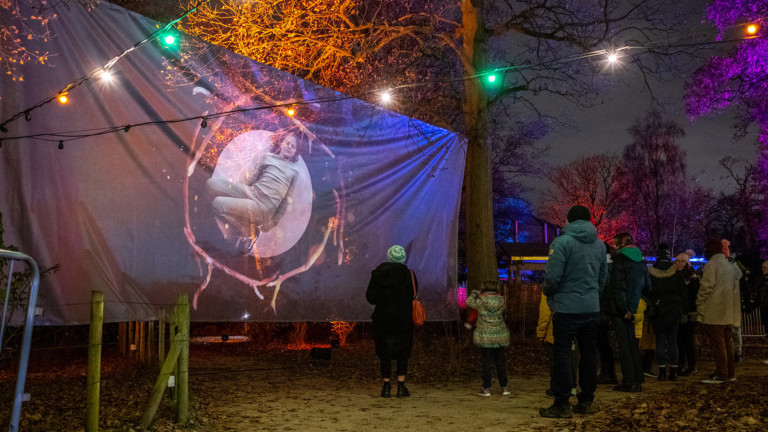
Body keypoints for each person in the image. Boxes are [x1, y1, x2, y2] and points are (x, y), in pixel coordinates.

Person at [539, 205, 607, 418]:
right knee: (588, 354)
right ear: (588, 221)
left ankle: (562, 403)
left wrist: (549, 294)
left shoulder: (562, 243)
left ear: (569, 221)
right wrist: (593, 295)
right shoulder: (599, 245)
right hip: (591, 307)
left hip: (566, 308)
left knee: (562, 354)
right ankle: (586, 400)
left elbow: (552, 277)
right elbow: (603, 277)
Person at [206, 130, 301, 254]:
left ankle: (249, 231)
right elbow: (250, 178)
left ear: (295, 152)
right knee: (211, 184)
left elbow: (287, 199)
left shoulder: (294, 170)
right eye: (287, 143)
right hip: (251, 192)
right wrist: (234, 189)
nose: (289, 147)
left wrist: (274, 221)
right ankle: (240, 215)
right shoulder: (268, 157)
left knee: (218, 204)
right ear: (281, 143)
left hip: (263, 207)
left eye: (293, 146)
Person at [366, 245, 417, 398]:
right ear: (403, 258)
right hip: (403, 319)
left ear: (388, 257)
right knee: (403, 353)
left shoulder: (378, 275)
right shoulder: (410, 275)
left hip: (382, 319)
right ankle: (401, 386)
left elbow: (370, 298)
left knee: (384, 353)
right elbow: (414, 295)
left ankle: (386, 386)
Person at [604, 233, 650, 392]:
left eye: (615, 244)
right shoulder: (640, 262)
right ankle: (637, 379)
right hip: (635, 306)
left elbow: (617, 287)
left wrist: (624, 309)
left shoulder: (619, 261)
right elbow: (647, 286)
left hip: (621, 310)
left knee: (624, 347)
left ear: (619, 245)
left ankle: (629, 381)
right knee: (633, 345)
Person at [697, 239, 742, 384]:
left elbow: (706, 287)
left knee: (718, 345)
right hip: (727, 311)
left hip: (714, 312)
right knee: (727, 344)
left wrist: (699, 303)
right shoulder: (729, 266)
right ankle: (730, 373)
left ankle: (721, 374)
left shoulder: (712, 265)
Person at [466, 280, 511, 397]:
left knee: (486, 363)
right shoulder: (502, 301)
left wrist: (475, 293)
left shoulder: (480, 302)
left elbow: (468, 301)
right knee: (500, 362)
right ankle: (505, 387)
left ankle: (486, 388)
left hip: (485, 336)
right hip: (500, 336)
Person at [648, 244, 686, 381]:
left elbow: (648, 290)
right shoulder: (675, 272)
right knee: (673, 340)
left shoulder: (651, 271)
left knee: (660, 340)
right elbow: (682, 292)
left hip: (659, 309)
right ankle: (674, 371)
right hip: (674, 308)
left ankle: (662, 371)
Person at [537, 292, 579, 397]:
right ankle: (572, 387)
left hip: (554, 332)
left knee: (555, 362)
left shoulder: (548, 291)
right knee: (571, 359)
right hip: (572, 330)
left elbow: (545, 313)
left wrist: (541, 333)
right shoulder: (571, 288)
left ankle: (555, 388)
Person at [676, 253, 701, 376]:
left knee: (688, 340)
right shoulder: (674, 276)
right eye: (677, 261)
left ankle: (691, 365)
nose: (679, 263)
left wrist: (694, 311)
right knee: (679, 340)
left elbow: (695, 295)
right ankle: (680, 364)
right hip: (679, 312)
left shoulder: (693, 278)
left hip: (690, 312)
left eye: (682, 261)